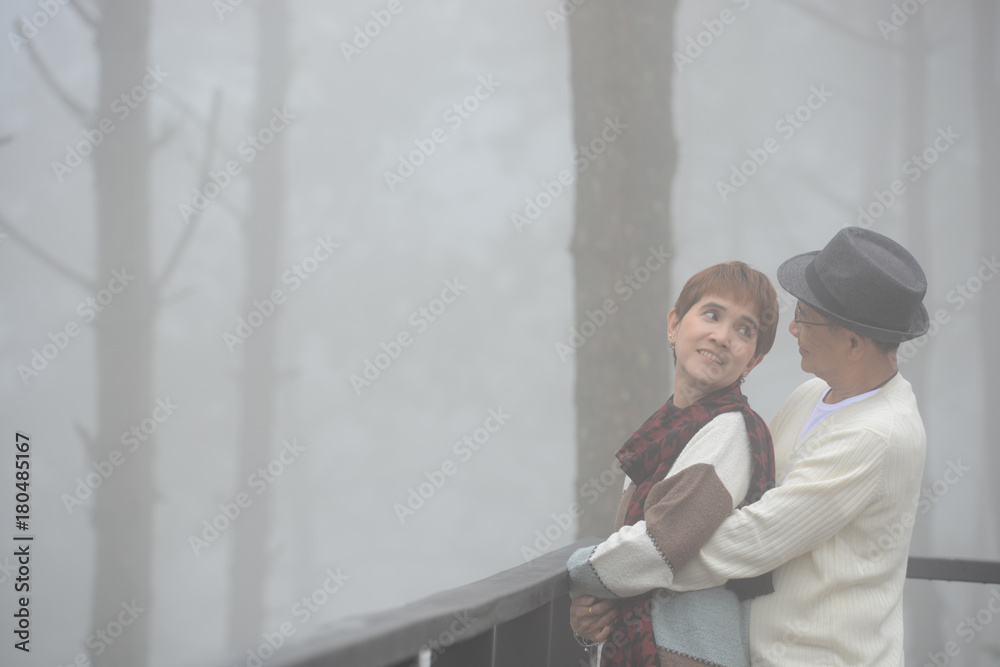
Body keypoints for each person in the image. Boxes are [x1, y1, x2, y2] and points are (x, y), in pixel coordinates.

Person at [574, 227, 929, 666]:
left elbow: (753, 538)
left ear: (854, 343)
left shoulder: (878, 434)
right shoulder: (814, 393)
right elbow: (745, 493)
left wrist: (616, 575)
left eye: (805, 317)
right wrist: (628, 576)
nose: (793, 327)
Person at [567, 260, 781, 666]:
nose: (722, 337)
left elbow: (657, 548)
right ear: (674, 325)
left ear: (753, 360)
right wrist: (591, 616)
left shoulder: (731, 431)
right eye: (712, 315)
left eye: (744, 330)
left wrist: (579, 575)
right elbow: (631, 565)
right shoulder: (664, 435)